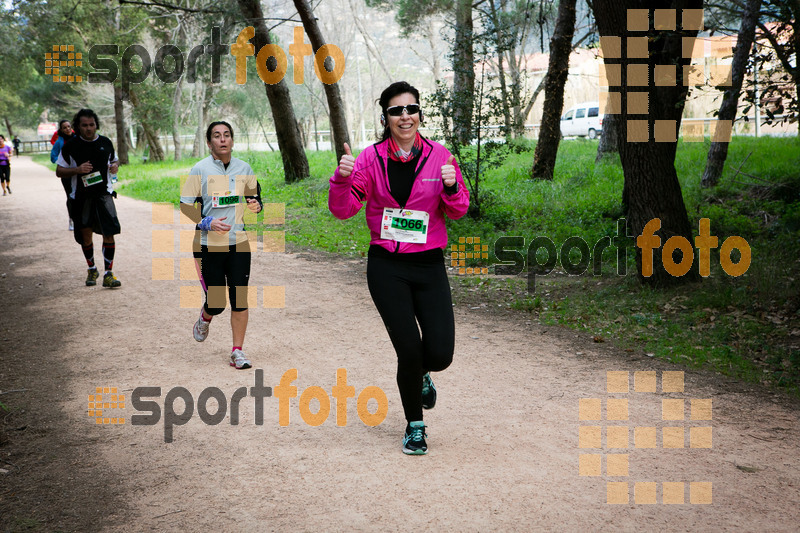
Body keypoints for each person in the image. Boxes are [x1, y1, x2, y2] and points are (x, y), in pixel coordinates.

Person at [328, 81, 470, 455]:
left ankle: (424, 373)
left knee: (439, 354)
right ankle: (415, 426)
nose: (405, 116)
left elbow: (458, 210)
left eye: (411, 109)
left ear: (419, 113)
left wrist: (453, 189)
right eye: (396, 110)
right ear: (385, 118)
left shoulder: (441, 157)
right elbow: (344, 210)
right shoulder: (368, 160)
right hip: (387, 266)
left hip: (428, 264)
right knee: (408, 348)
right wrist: (342, 179)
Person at [180, 121, 262, 370]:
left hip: (238, 242)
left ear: (232, 140)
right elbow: (185, 205)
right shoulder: (200, 169)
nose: (223, 139)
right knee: (216, 302)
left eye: (227, 135)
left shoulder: (244, 168)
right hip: (209, 245)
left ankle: (237, 351)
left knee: (240, 299)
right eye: (217, 136)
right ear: (209, 142)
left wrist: (256, 205)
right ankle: (206, 317)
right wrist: (206, 221)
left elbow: (255, 197)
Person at [56, 109, 122, 288]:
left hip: (104, 195)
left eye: (91, 125)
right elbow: (59, 171)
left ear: (96, 125)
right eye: (84, 125)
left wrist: (115, 166)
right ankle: (92, 268)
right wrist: (77, 170)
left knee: (109, 233)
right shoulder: (71, 146)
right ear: (78, 126)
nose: (88, 129)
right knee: (86, 236)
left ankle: (108, 273)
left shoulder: (105, 142)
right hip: (81, 197)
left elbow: (114, 160)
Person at [51, 120, 76, 230]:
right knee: (70, 196)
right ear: (61, 130)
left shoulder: (78, 139)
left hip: (79, 172)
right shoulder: (59, 142)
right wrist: (62, 163)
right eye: (64, 127)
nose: (67, 129)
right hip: (66, 174)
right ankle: (72, 219)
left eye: (69, 126)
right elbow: (53, 157)